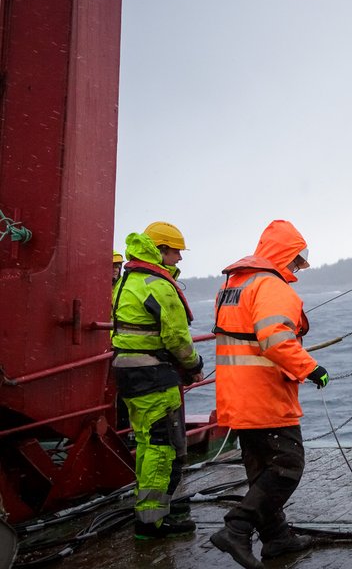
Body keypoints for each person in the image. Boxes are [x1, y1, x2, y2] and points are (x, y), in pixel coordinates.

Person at [210, 220, 328, 569]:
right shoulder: (273, 287)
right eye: (296, 260)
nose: (297, 269)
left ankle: (276, 539)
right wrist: (311, 368)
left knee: (262, 467)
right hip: (264, 394)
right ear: (283, 255)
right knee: (287, 467)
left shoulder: (234, 283)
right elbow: (274, 339)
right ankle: (237, 528)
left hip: (236, 395)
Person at [111, 221, 204, 539]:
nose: (179, 258)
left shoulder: (128, 281)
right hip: (154, 378)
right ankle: (151, 523)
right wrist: (194, 365)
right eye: (176, 251)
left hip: (128, 375)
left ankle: (150, 516)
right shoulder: (158, 285)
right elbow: (178, 339)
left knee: (148, 444)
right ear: (161, 250)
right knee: (163, 448)